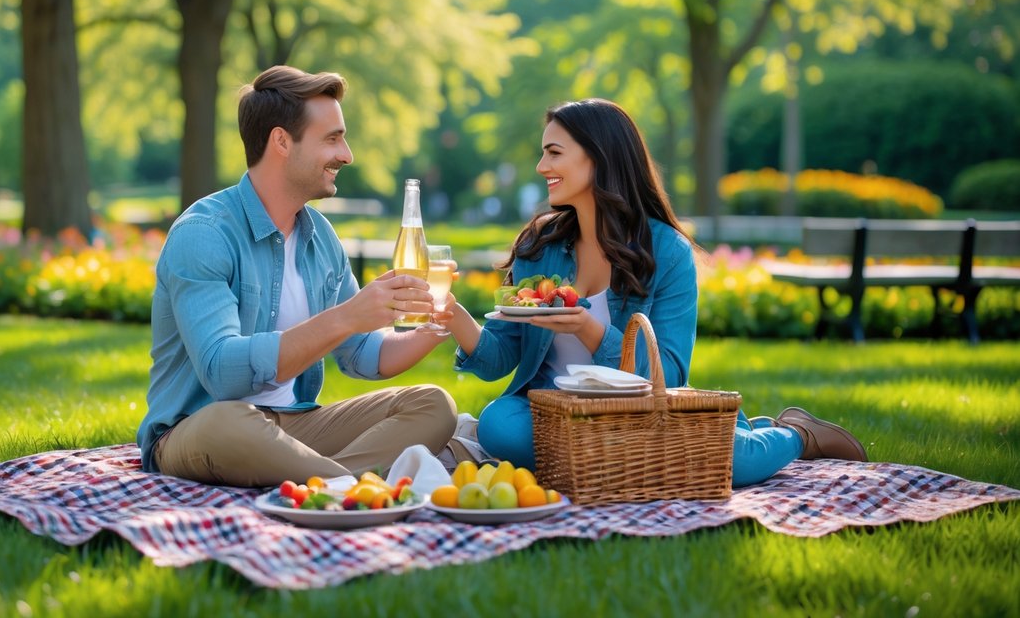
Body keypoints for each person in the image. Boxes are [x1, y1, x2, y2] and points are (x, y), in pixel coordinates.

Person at [440, 98, 867, 485]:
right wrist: (452, 313)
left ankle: (798, 434)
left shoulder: (667, 252)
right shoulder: (541, 247)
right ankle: (664, 449)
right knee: (499, 425)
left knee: (736, 467)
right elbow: (501, 357)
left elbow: (672, 371)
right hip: (554, 413)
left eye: (554, 153)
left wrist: (590, 330)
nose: (540, 166)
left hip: (637, 415)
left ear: (600, 157)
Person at [137, 65, 457, 487]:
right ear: (282, 142)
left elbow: (364, 355)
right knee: (229, 422)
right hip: (201, 427)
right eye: (333, 138)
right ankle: (354, 486)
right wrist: (346, 316)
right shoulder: (205, 234)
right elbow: (222, 372)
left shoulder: (320, 238)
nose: (347, 155)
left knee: (434, 405)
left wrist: (435, 323)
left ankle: (332, 485)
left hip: (295, 424)